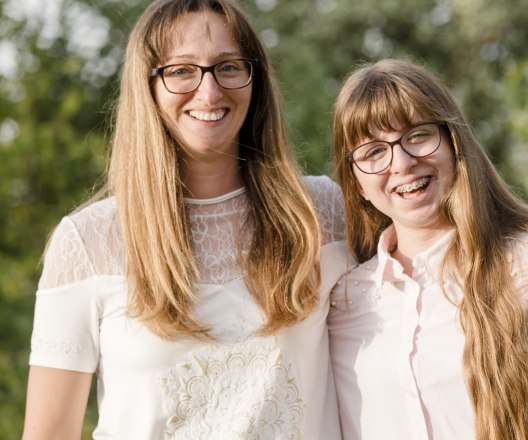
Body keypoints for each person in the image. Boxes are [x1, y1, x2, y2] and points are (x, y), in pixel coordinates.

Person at [22, 0, 346, 438]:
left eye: (228, 66)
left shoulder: (322, 214)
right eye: (180, 71)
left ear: (256, 79)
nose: (209, 93)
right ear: (148, 86)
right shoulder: (88, 241)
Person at [327, 59, 528, 439]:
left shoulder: (524, 265)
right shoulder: (342, 302)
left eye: (418, 135)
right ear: (356, 181)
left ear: (453, 141)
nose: (402, 163)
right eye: (374, 152)